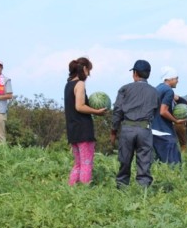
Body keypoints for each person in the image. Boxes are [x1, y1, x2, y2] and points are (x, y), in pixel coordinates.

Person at [111, 60, 160, 188]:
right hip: (145, 129)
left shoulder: (125, 89)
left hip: (127, 128)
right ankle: (142, 191)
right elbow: (156, 111)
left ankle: (121, 187)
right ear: (148, 74)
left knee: (124, 161)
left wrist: (114, 130)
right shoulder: (155, 92)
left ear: (135, 73)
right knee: (144, 162)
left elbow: (117, 111)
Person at [63, 57, 106, 185]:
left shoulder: (68, 84)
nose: (89, 74)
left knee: (78, 164)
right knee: (87, 163)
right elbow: (79, 106)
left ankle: (72, 189)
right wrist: (97, 111)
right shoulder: (80, 84)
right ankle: (84, 191)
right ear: (84, 69)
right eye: (89, 71)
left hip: (73, 130)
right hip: (83, 129)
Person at [151, 66, 185, 164]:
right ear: (169, 79)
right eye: (176, 78)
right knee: (174, 164)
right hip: (164, 132)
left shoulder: (157, 88)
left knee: (159, 163)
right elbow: (163, 111)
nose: (177, 81)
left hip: (153, 130)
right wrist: (176, 120)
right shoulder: (169, 91)